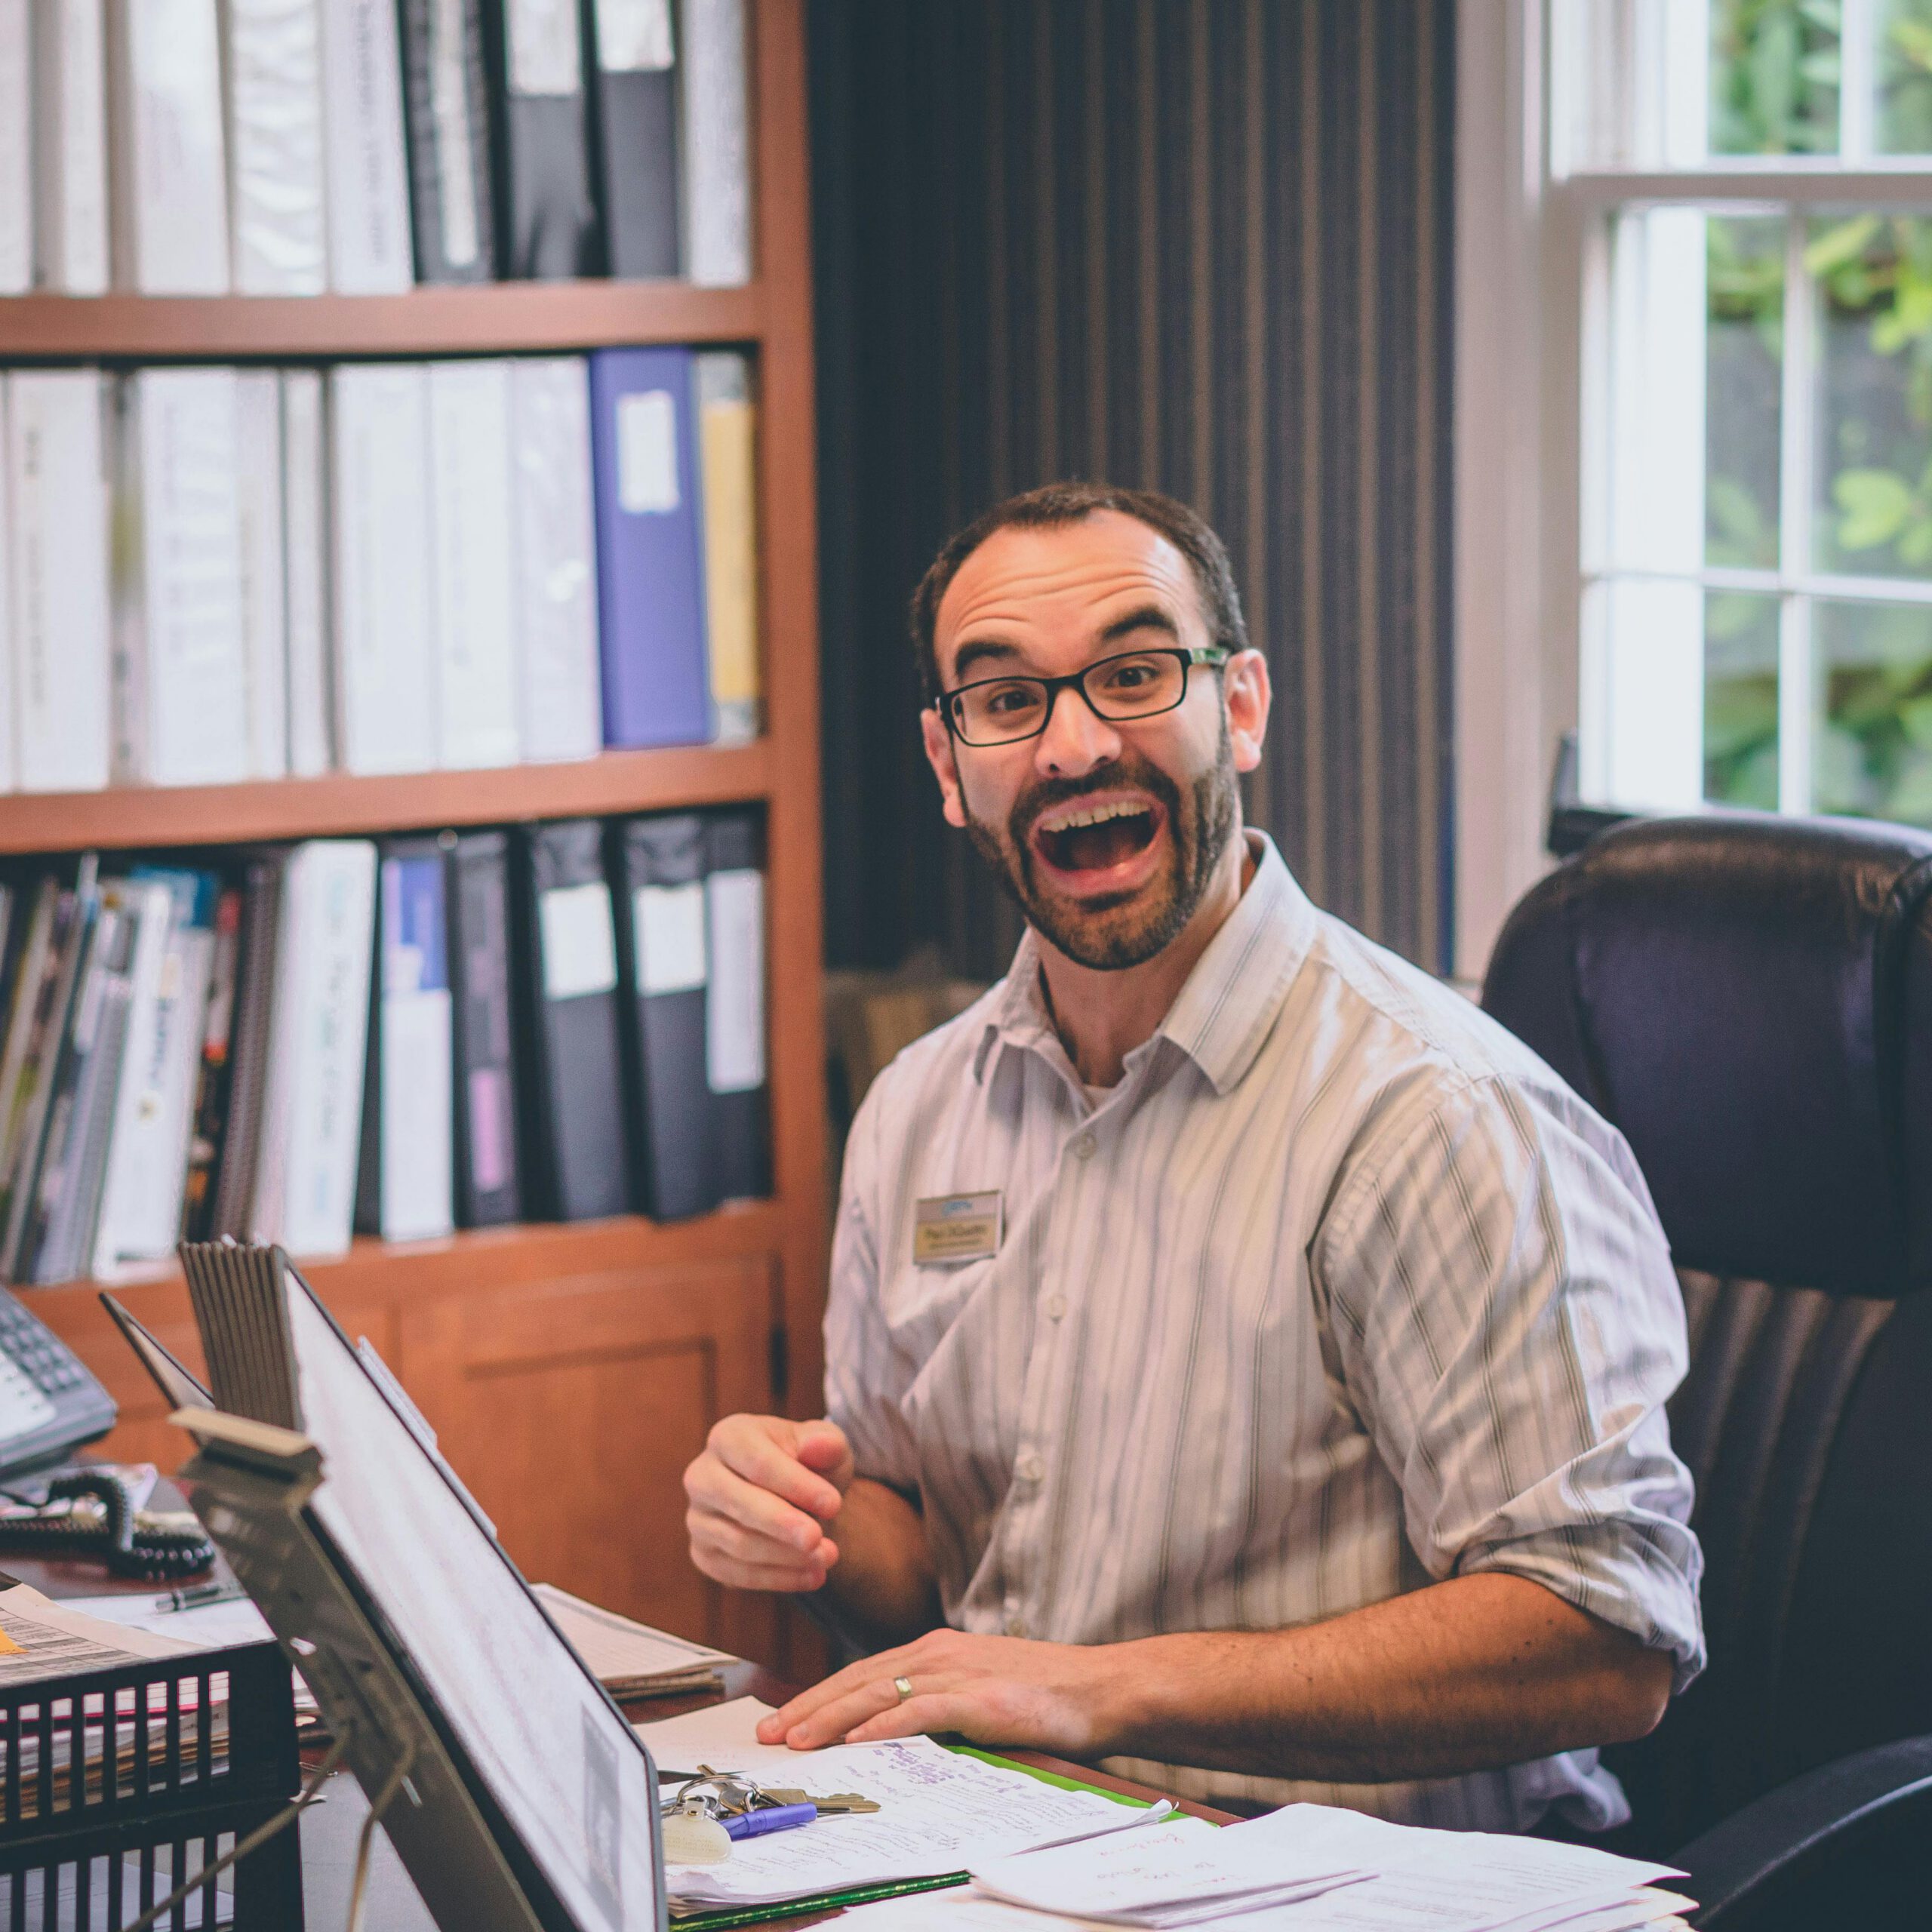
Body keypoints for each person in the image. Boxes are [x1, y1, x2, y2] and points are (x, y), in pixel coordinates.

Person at [683, 483, 1704, 1831]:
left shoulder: (1435, 1118)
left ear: (1240, 707)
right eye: (1005, 702)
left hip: (1366, 1896)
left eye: (1134, 673)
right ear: (950, 767)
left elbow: (1609, 1636)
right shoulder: (919, 1109)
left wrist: (1103, 1692)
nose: (1072, 746)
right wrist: (808, 1527)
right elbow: (923, 1566)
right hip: (1015, 1851)